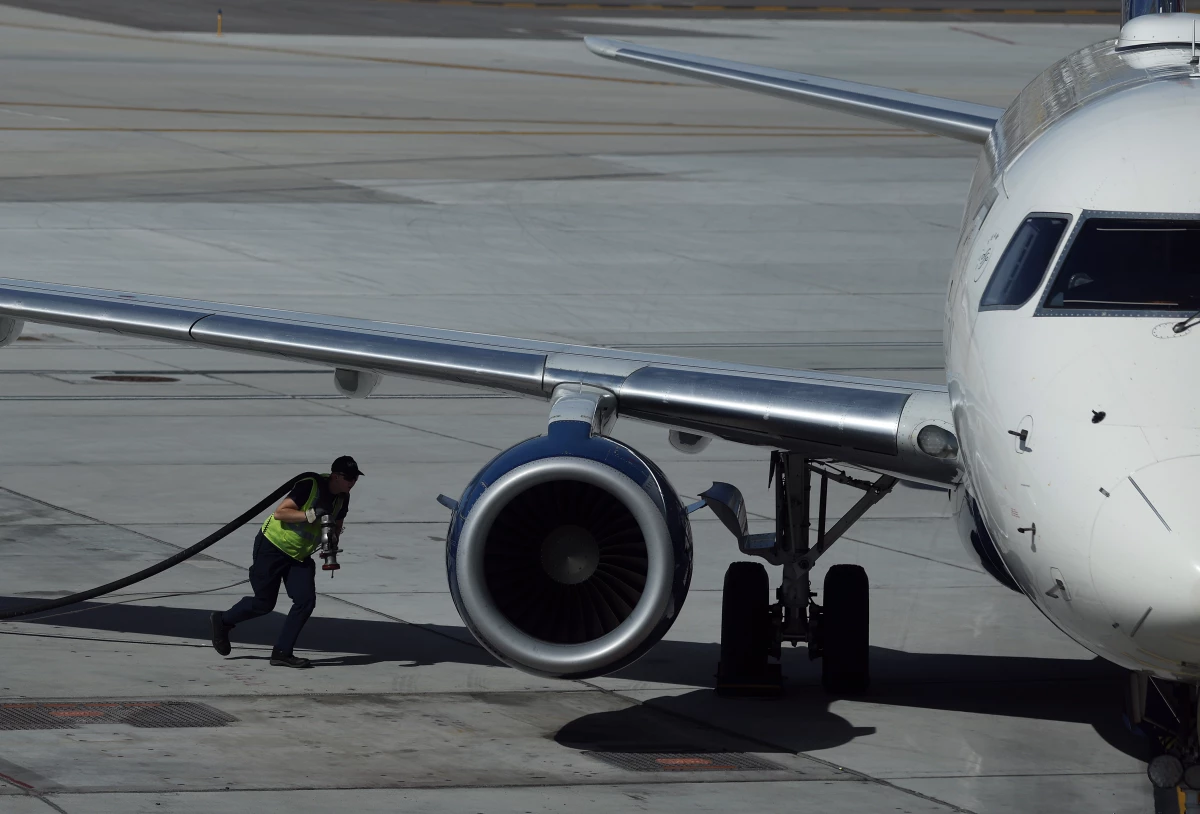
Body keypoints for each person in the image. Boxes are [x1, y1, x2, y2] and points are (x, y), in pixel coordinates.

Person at [210, 456, 363, 668]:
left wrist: (331, 544)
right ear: (335, 476)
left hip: (299, 556)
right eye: (348, 478)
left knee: (305, 601)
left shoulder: (342, 498)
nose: (352, 482)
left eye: (355, 478)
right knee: (264, 603)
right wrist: (310, 515)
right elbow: (281, 513)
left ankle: (282, 652)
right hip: (272, 547)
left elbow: (337, 524)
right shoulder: (309, 485)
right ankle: (223, 621)